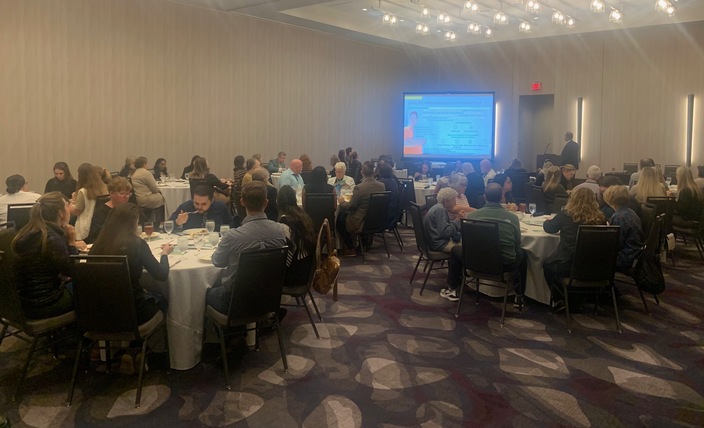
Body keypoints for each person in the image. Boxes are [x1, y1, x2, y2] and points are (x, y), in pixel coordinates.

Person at [207, 181, 289, 314]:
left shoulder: (232, 236)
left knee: (205, 291)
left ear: (242, 202)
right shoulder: (280, 231)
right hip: (269, 297)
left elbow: (217, 262)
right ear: (266, 203)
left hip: (235, 301)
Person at [90, 202, 172, 325]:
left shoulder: (98, 244)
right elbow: (161, 275)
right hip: (133, 313)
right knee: (163, 300)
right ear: (133, 222)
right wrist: (164, 254)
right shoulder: (136, 244)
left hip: (99, 314)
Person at [447, 183, 528, 305]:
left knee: (454, 250)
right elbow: (517, 243)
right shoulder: (512, 218)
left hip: (474, 261)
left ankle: (453, 289)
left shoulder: (472, 216)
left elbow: (466, 242)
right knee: (523, 253)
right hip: (504, 263)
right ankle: (519, 295)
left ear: (485, 197)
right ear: (502, 197)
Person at [12, 192, 79, 319]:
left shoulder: (29, 232)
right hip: (46, 303)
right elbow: (73, 271)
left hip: (24, 302)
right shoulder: (51, 238)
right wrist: (71, 243)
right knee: (91, 287)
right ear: (60, 212)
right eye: (67, 205)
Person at [542, 188, 606, 309]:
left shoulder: (566, 214)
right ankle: (579, 297)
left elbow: (549, 228)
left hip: (568, 264)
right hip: (594, 266)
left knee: (547, 265)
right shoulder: (600, 218)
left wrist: (547, 221)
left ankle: (560, 298)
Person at [336, 161, 385, 256]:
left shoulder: (359, 188)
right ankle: (364, 243)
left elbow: (351, 207)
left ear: (362, 172)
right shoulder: (382, 186)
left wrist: (342, 202)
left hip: (361, 221)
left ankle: (350, 247)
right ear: (373, 172)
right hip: (377, 220)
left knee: (340, 219)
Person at [277, 185, 316, 287]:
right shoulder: (303, 215)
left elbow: (287, 257)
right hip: (307, 266)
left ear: (278, 202)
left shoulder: (285, 222)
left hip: (296, 274)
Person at [603, 185, 644, 269]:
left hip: (625, 257)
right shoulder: (630, 212)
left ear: (610, 200)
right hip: (635, 252)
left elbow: (615, 244)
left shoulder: (619, 217)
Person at [86, 177, 132, 244]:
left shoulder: (130, 209)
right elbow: (97, 234)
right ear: (111, 193)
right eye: (122, 193)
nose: (125, 197)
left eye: (127, 194)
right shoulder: (100, 213)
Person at [71, 163, 109, 241]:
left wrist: (69, 206)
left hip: (88, 226)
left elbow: (77, 211)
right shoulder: (106, 187)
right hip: (103, 223)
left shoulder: (83, 191)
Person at [423, 187, 461, 254]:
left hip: (435, 241)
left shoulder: (437, 207)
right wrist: (457, 220)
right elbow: (446, 233)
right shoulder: (440, 210)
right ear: (446, 201)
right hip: (440, 244)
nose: (455, 204)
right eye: (454, 200)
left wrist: (453, 221)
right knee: (468, 248)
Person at [130, 157, 165, 223]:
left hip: (138, 198)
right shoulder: (146, 173)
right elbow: (154, 189)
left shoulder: (133, 173)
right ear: (144, 164)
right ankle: (158, 221)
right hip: (146, 198)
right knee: (162, 198)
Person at [378, 163, 401, 230]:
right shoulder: (393, 181)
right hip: (394, 214)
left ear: (380, 172)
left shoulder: (381, 183)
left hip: (385, 215)